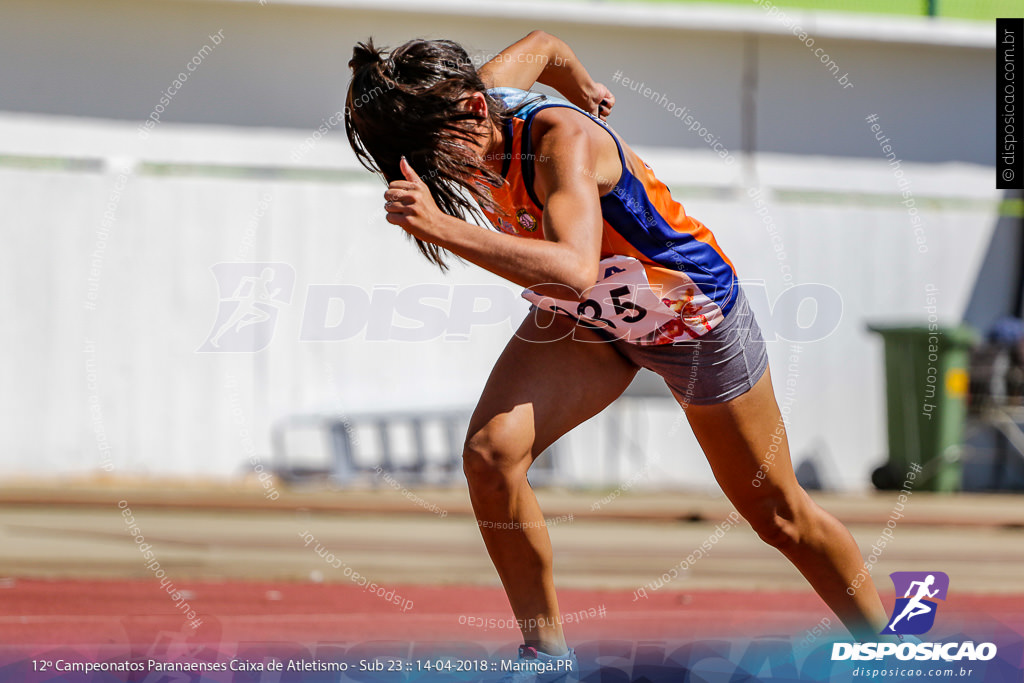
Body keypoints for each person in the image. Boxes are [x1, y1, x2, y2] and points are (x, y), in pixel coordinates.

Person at [345, 30, 889, 681]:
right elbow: (544, 45)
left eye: (427, 155)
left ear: (471, 113)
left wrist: (444, 227)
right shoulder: (478, 95)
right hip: (594, 321)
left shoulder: (561, 146)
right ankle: (546, 657)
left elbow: (574, 268)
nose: (429, 173)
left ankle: (887, 651)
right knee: (490, 456)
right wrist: (583, 83)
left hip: (690, 318)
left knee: (779, 515)